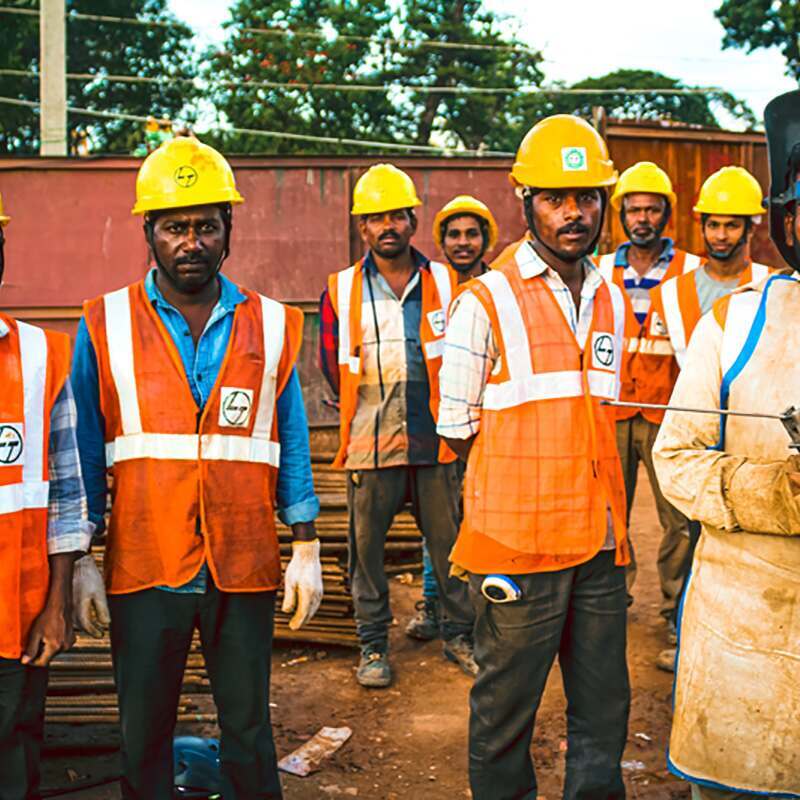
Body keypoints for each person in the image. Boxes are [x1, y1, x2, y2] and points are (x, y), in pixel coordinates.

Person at [71, 136, 323, 800]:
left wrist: (306, 544)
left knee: (248, 731)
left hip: (242, 558)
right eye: (175, 227)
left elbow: (291, 438)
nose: (192, 242)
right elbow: (84, 448)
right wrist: (80, 554)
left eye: (206, 226)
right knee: (144, 734)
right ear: (148, 233)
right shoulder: (104, 323)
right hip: (145, 560)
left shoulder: (271, 323)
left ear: (228, 230)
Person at [438, 115, 630, 799]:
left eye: (586, 198)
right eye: (555, 198)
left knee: (603, 712)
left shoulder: (610, 298)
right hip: (519, 550)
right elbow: (456, 428)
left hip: (600, 544)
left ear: (603, 202)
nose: (573, 213)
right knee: (505, 717)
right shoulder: (484, 302)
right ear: (526, 203)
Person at [652, 88, 800, 799]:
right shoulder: (737, 322)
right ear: (787, 220)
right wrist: (773, 490)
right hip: (748, 640)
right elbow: (675, 459)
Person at [319, 164, 477, 687]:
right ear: (361, 226)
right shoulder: (341, 289)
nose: (387, 226)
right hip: (371, 445)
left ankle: (458, 635)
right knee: (366, 557)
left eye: (396, 216)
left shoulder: (446, 282)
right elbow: (330, 362)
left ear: (413, 221)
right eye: (375, 217)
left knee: (451, 550)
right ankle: (372, 646)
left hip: (436, 443)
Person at [649, 164, 774, 672]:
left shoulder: (774, 287)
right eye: (713, 224)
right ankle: (680, 627)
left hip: (752, 434)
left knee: (748, 538)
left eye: (732, 224)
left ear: (752, 228)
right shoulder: (671, 292)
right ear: (701, 225)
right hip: (694, 428)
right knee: (684, 532)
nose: (721, 235)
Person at [0, 190, 95, 799]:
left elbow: (65, 492)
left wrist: (58, 601)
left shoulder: (39, 357)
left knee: (13, 761)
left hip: (16, 619)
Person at [593, 161, 702, 630]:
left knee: (678, 518)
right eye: (634, 210)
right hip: (612, 411)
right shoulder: (598, 269)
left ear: (666, 215)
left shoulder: (691, 270)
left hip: (668, 413)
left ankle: (677, 609)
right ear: (621, 215)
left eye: (652, 210)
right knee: (609, 513)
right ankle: (611, 602)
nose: (643, 219)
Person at [405, 195, 498, 642]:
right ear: (441, 241)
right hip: (438, 428)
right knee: (439, 527)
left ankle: (482, 608)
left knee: (483, 518)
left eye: (472, 234)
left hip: (489, 427)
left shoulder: (500, 289)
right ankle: (433, 603)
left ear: (485, 240)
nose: (463, 243)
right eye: (454, 235)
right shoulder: (431, 291)